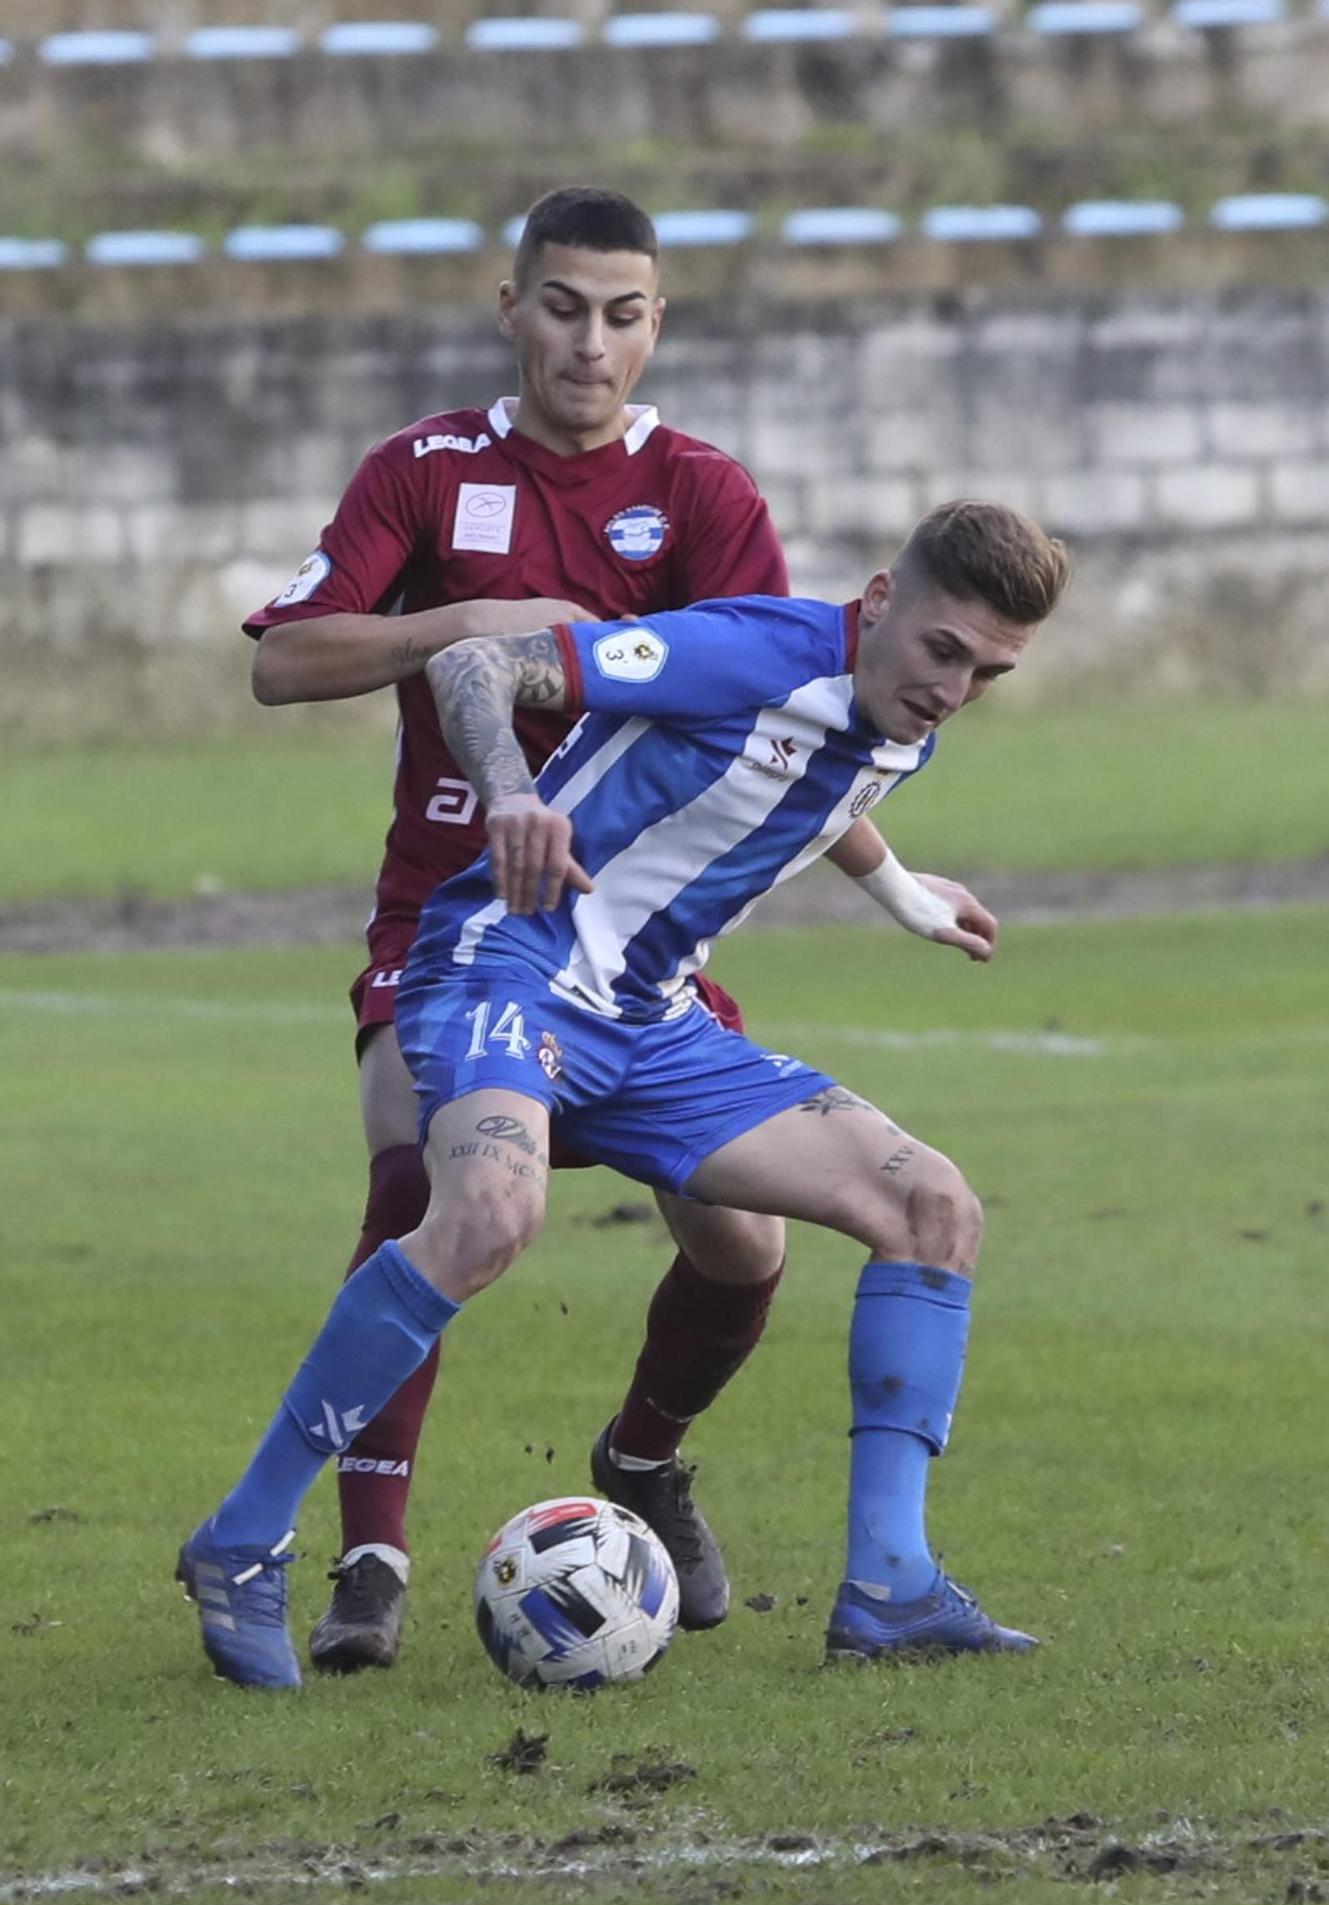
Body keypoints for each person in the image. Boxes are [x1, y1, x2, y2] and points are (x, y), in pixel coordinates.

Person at [178, 497, 1071, 1690]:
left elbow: (814, 777)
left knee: (933, 1209)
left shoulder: (903, 718)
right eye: (941, 650)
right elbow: (476, 662)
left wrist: (902, 891)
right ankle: (243, 1540)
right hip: (510, 966)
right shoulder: (745, 647)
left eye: (988, 671)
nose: (954, 687)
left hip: (651, 1026)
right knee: (490, 1211)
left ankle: (892, 1585)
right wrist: (510, 793)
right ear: (875, 603)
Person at [241, 186, 895, 1673]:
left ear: (655, 324)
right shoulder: (421, 472)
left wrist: (888, 877)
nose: (588, 344)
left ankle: (645, 1460)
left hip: (635, 943)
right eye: (560, 307)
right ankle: (368, 1560)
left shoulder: (707, 496)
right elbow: (285, 663)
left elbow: (783, 721)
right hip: (452, 916)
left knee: (743, 1251)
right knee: (423, 1176)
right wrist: (465, 627)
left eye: (622, 314)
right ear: (508, 307)